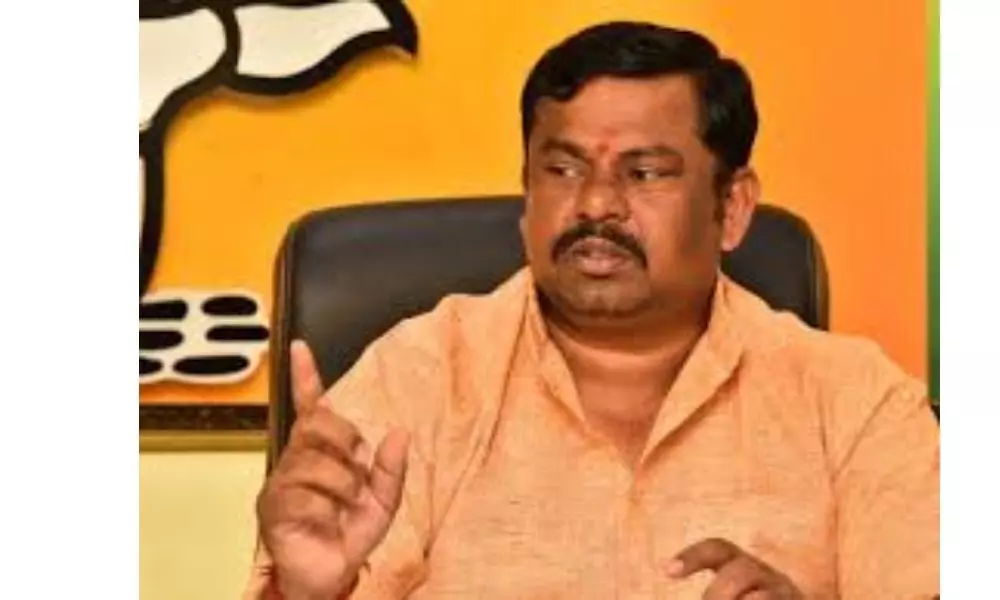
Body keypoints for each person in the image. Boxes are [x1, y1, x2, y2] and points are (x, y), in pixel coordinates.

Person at [243, 21, 939, 600]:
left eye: (644, 173)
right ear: (527, 195)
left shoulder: (854, 402)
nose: (596, 203)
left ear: (732, 207)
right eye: (564, 169)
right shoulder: (416, 378)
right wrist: (305, 595)